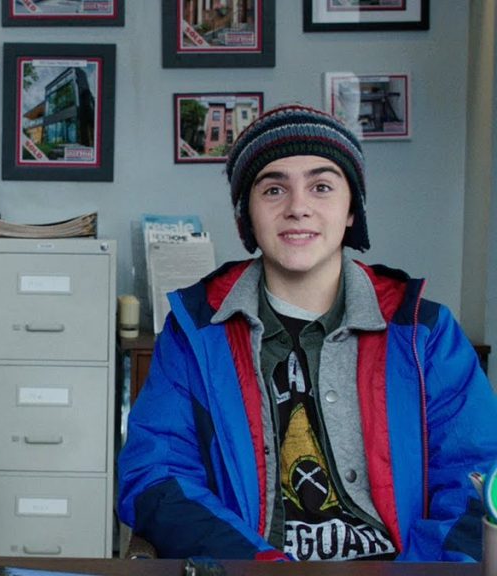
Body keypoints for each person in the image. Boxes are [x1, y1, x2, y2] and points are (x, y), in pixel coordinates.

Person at [118, 104, 497, 562]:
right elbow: (155, 476)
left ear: (351, 210)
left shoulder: (423, 332)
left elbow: (477, 477)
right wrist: (259, 566)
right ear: (246, 217)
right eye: (273, 189)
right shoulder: (195, 331)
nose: (298, 208)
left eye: (321, 187)